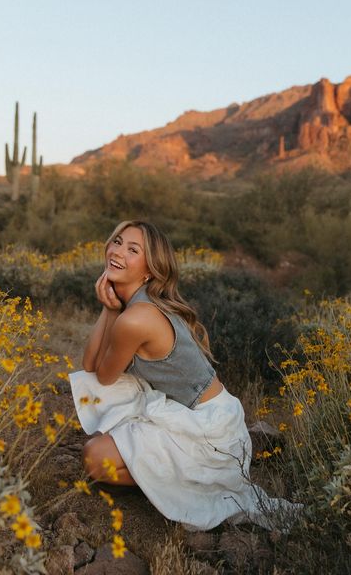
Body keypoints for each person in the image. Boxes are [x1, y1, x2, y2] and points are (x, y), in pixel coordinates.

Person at [69, 220, 302, 532]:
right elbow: (91, 366)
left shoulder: (136, 318)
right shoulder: (134, 306)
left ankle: (199, 487)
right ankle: (174, 479)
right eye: (117, 242)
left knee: (95, 460)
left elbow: (103, 377)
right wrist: (109, 309)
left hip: (210, 428)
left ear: (150, 269)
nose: (118, 252)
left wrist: (110, 311)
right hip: (193, 412)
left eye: (133, 249)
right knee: (103, 448)